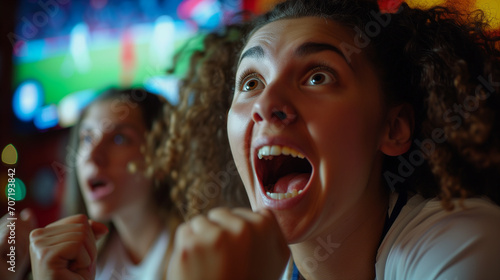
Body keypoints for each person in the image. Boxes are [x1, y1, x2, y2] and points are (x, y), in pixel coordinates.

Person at [167, 0, 500, 279]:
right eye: (252, 83)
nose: (265, 105)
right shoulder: (263, 266)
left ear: (394, 127)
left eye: (317, 77)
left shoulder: (465, 242)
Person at [29, 88, 181, 280]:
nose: (92, 156)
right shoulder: (83, 265)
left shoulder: (199, 252)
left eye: (119, 139)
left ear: (162, 156)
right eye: (87, 138)